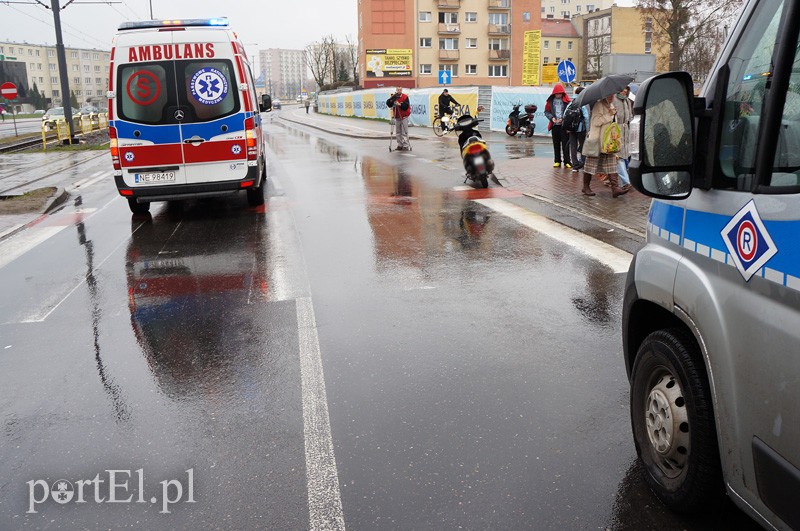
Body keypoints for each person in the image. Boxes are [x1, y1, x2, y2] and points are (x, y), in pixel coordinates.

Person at [581, 93, 628, 197]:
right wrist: (609, 115)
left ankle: (615, 188)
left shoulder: (611, 106)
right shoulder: (599, 105)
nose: (612, 97)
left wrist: (613, 115)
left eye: (613, 95)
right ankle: (586, 187)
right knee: (590, 165)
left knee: (612, 165)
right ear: (604, 96)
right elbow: (596, 121)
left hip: (608, 141)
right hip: (597, 141)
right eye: (609, 96)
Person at [544, 84, 572, 168]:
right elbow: (546, 112)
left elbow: (569, 112)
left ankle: (567, 161)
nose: (558, 95)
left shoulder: (566, 101)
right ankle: (557, 161)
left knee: (565, 144)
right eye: (557, 94)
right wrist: (552, 118)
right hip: (554, 126)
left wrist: (563, 119)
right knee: (556, 144)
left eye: (560, 93)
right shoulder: (550, 101)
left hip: (564, 126)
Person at [611, 86, 633, 190]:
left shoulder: (628, 101)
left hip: (626, 131)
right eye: (622, 89)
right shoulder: (613, 99)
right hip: (616, 130)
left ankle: (622, 181)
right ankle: (625, 181)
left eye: (626, 89)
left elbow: (630, 116)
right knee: (618, 157)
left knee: (624, 156)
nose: (624, 91)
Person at [567, 86, 590, 172]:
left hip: (572, 129)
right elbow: (586, 117)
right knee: (583, 146)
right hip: (581, 128)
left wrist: (567, 127)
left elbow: (566, 115)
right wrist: (587, 129)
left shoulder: (571, 102)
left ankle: (575, 166)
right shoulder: (583, 103)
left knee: (573, 146)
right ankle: (583, 163)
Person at [386, 87, 411, 151]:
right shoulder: (394, 96)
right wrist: (391, 101)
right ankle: (400, 144)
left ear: (401, 90)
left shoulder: (405, 97)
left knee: (404, 132)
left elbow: (406, 107)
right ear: (396, 90)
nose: (399, 91)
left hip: (404, 116)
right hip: (397, 116)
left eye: (400, 90)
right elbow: (388, 104)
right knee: (398, 132)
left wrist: (399, 104)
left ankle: (405, 145)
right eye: (398, 90)